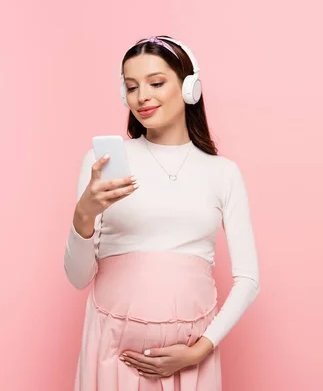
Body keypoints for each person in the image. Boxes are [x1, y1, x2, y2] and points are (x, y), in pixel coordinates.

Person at [63, 35, 260, 391]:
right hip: (110, 354)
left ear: (189, 88)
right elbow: (79, 278)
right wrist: (84, 216)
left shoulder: (223, 172)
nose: (142, 96)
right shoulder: (102, 164)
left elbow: (248, 280)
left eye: (156, 83)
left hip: (189, 362)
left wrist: (199, 350)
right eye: (132, 87)